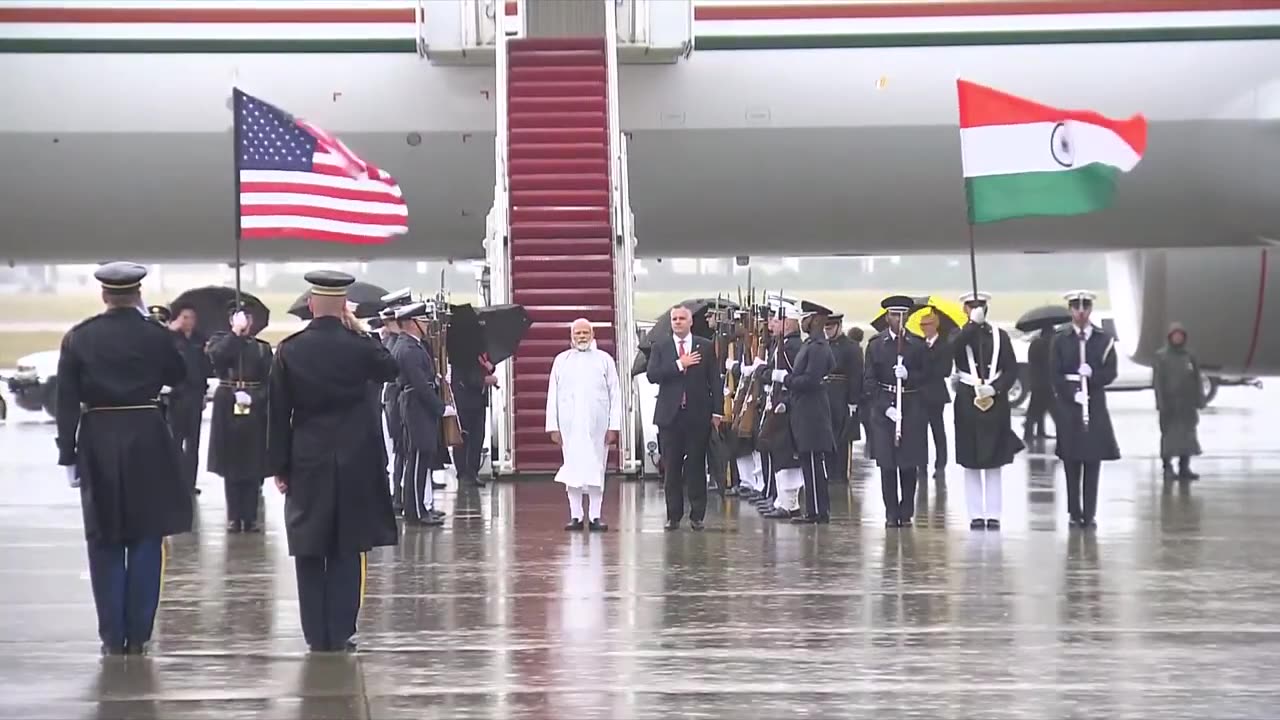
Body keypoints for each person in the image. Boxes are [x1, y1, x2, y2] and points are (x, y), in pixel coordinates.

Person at [55, 262, 191, 655]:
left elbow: (65, 399)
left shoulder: (80, 337)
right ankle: (139, 632)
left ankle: (112, 635)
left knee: (105, 538)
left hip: (98, 435)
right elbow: (179, 375)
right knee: (147, 536)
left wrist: (68, 451)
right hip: (147, 433)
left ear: (104, 295)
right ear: (138, 293)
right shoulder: (155, 335)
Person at [267, 270, 401, 652]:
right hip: (356, 456)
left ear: (310, 305)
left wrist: (279, 465)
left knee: (310, 546)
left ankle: (315, 634)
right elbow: (390, 368)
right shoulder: (359, 345)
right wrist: (359, 330)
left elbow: (278, 413)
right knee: (348, 545)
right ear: (344, 305)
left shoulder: (289, 350)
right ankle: (341, 631)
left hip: (307, 455)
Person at [950, 292, 1025, 530]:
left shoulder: (1000, 336)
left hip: (995, 400)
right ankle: (975, 514)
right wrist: (971, 327)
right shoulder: (957, 334)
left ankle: (993, 513)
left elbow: (1011, 369)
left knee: (994, 461)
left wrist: (995, 388)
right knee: (971, 461)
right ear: (965, 309)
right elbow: (949, 353)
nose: (977, 309)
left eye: (980, 306)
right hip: (967, 400)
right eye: (972, 306)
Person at [646, 305, 723, 531]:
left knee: (697, 465)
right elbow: (653, 375)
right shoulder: (660, 346)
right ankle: (673, 515)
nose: (677, 322)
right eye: (674, 319)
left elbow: (714, 381)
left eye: (682, 318)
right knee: (672, 467)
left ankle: (697, 514)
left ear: (690, 322)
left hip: (697, 415)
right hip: (670, 416)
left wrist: (717, 412)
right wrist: (680, 364)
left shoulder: (705, 346)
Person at [1050, 290, 1120, 529]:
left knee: (1092, 463)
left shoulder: (1102, 340)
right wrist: (1072, 393)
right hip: (1071, 408)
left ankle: (1089, 513)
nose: (1081, 312)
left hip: (1095, 406)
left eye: (1085, 307)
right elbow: (1054, 374)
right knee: (1071, 463)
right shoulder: (1061, 339)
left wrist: (1093, 377)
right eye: (1076, 307)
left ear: (1090, 310)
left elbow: (1111, 372)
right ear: (1071, 310)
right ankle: (1074, 511)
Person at [546, 318, 622, 531]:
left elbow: (615, 394)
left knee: (598, 469)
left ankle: (596, 515)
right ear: (571, 336)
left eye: (585, 333)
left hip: (598, 426)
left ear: (592, 335)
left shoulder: (604, 360)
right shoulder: (561, 360)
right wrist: (553, 426)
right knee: (573, 470)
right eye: (577, 333)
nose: (581, 337)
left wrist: (613, 426)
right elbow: (553, 395)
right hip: (570, 427)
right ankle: (576, 516)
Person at [206, 301, 274, 533]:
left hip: (253, 402)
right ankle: (235, 515)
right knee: (231, 462)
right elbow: (218, 357)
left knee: (252, 460)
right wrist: (235, 335)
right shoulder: (220, 341)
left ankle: (251, 515)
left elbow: (269, 380)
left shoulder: (262, 348)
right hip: (228, 401)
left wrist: (257, 397)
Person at [864, 295, 929, 527]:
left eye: (902, 315)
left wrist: (909, 375)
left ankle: (906, 510)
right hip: (884, 411)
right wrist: (885, 407)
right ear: (887, 317)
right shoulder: (875, 345)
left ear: (908, 317)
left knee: (909, 464)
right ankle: (891, 512)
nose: (898, 319)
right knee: (888, 465)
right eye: (893, 315)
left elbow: (928, 378)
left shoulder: (918, 345)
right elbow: (869, 383)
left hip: (911, 407)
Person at [774, 302, 836, 524]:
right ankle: (814, 510)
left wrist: (785, 379)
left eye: (806, 317)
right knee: (808, 463)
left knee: (812, 463)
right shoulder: (811, 344)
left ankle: (818, 512)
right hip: (804, 409)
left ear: (815, 320)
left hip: (812, 412)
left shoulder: (818, 347)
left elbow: (810, 380)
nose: (802, 322)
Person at [392, 301, 451, 527]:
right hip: (417, 407)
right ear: (412, 323)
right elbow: (419, 385)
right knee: (417, 460)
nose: (426, 324)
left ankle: (418, 508)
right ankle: (416, 512)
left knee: (421, 459)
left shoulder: (413, 346)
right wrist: (440, 407)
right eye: (423, 320)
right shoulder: (407, 349)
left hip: (417, 406)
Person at [756, 305, 806, 520]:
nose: (771, 325)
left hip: (786, 404)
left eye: (776, 321)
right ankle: (782, 500)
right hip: (778, 400)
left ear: (789, 323)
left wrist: (766, 373)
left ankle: (789, 503)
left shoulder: (793, 346)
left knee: (786, 455)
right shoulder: (783, 344)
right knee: (778, 452)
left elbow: (791, 375)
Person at [166, 303, 211, 496]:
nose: (188, 322)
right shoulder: (170, 338)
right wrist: (168, 331)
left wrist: (204, 393)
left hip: (194, 395)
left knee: (193, 444)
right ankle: (174, 482)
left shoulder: (200, 340)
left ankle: (189, 483)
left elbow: (205, 368)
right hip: (176, 396)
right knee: (175, 441)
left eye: (191, 318)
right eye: (184, 317)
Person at [1154, 322, 1203, 481]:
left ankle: (1184, 467)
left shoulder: (1189, 356)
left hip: (1187, 404)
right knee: (1169, 437)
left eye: (1180, 335)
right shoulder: (1161, 356)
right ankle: (1167, 468)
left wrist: (1199, 399)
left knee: (1187, 437)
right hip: (1170, 404)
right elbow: (1158, 382)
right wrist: (1161, 403)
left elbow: (1197, 379)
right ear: (1170, 337)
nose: (1177, 338)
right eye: (1175, 335)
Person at [822, 313, 863, 484]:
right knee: (826, 434)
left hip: (842, 395)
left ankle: (840, 474)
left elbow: (856, 376)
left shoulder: (852, 348)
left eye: (830, 328)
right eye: (826, 328)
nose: (828, 332)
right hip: (825, 394)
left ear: (839, 326)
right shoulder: (823, 345)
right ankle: (828, 471)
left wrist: (853, 401)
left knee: (842, 436)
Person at [452, 349, 498, 488]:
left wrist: (491, 367)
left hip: (479, 401)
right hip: (465, 401)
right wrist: (484, 380)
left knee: (478, 438)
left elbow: (487, 369)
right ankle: (463, 473)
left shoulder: (484, 354)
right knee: (463, 438)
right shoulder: (461, 354)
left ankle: (473, 472)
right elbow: (464, 377)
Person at [917, 310, 952, 486]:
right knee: (919, 431)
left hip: (936, 394)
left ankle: (940, 465)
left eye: (927, 325)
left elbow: (946, 370)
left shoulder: (944, 345)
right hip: (920, 394)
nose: (924, 329)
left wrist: (928, 367)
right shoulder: (919, 345)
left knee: (938, 430)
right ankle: (921, 466)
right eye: (922, 326)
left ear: (935, 326)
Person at [1024, 327, 1055, 443]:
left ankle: (1034, 431)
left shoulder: (1035, 344)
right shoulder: (1047, 345)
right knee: (1046, 408)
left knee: (1038, 408)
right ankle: (1031, 432)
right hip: (1044, 382)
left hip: (1036, 381)